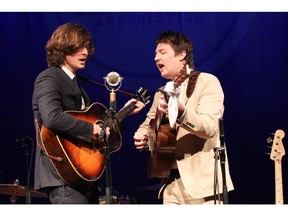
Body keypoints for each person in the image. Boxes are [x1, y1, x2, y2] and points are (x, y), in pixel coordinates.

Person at [32, 23, 146, 204]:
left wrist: (127, 111)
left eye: (87, 47)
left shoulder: (77, 84)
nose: (85, 52)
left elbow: (99, 128)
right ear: (63, 46)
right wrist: (90, 129)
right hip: (63, 174)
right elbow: (52, 117)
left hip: (84, 176)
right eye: (79, 47)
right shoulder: (49, 77)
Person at [133, 30, 234, 204]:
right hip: (169, 185)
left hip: (201, 186)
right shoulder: (162, 93)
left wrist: (182, 113)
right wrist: (142, 135)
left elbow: (210, 127)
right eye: (155, 54)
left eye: (162, 52)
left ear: (182, 55)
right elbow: (147, 123)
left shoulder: (206, 82)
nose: (156, 58)